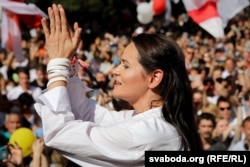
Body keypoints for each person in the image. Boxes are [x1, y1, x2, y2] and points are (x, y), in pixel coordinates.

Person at [34, 4, 202, 166]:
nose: (115, 71)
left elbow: (59, 134)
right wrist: (69, 70)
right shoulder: (147, 121)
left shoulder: (148, 132)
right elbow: (90, 116)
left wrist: (57, 65)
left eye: (125, 65)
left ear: (154, 78)